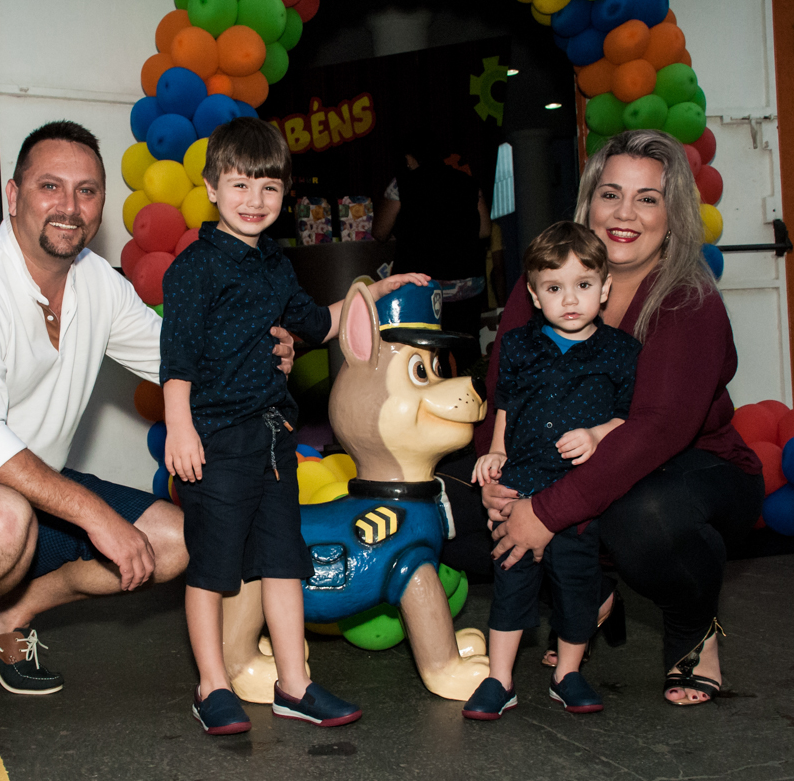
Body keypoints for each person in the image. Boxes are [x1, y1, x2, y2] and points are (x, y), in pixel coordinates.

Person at [0, 121, 295, 739]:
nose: (69, 206)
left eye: (87, 191)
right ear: (13, 195)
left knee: (182, 539)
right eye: (50, 186)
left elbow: (180, 358)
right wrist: (95, 515)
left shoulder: (97, 285)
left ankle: (14, 611)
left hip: (26, 491)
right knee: (3, 518)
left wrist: (265, 348)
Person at [160, 117, 429, 735]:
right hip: (216, 439)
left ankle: (295, 683)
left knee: (283, 563)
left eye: (269, 188)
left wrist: (377, 287)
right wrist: (180, 429)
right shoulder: (193, 268)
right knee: (213, 568)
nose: (254, 201)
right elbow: (176, 358)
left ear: (285, 196)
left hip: (274, 442)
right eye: (240, 186)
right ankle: (211, 686)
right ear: (211, 189)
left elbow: (322, 323)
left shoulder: (277, 268)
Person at [479, 129, 764, 707]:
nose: (625, 214)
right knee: (450, 503)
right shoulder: (547, 278)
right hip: (565, 459)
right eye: (611, 194)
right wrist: (499, 474)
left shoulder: (687, 300)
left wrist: (545, 513)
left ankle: (693, 631)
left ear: (673, 210)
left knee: (642, 515)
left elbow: (656, 430)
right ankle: (589, 589)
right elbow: (504, 383)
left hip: (691, 469)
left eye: (647, 198)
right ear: (588, 202)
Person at [461, 222, 639, 720]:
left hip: (576, 490)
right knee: (511, 577)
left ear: (604, 288)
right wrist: (494, 453)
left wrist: (599, 434)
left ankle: (569, 674)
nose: (570, 300)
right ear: (536, 296)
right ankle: (500, 679)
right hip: (520, 479)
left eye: (583, 285)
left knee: (576, 581)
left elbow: (632, 416)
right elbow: (505, 402)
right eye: (554, 288)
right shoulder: (517, 345)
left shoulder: (622, 351)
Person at [372, 137, 492, 372]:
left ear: (409, 158)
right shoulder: (468, 183)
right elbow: (485, 230)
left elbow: (380, 231)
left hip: (423, 286)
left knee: (426, 355)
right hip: (466, 286)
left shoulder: (402, 184)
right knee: (468, 350)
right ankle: (477, 401)